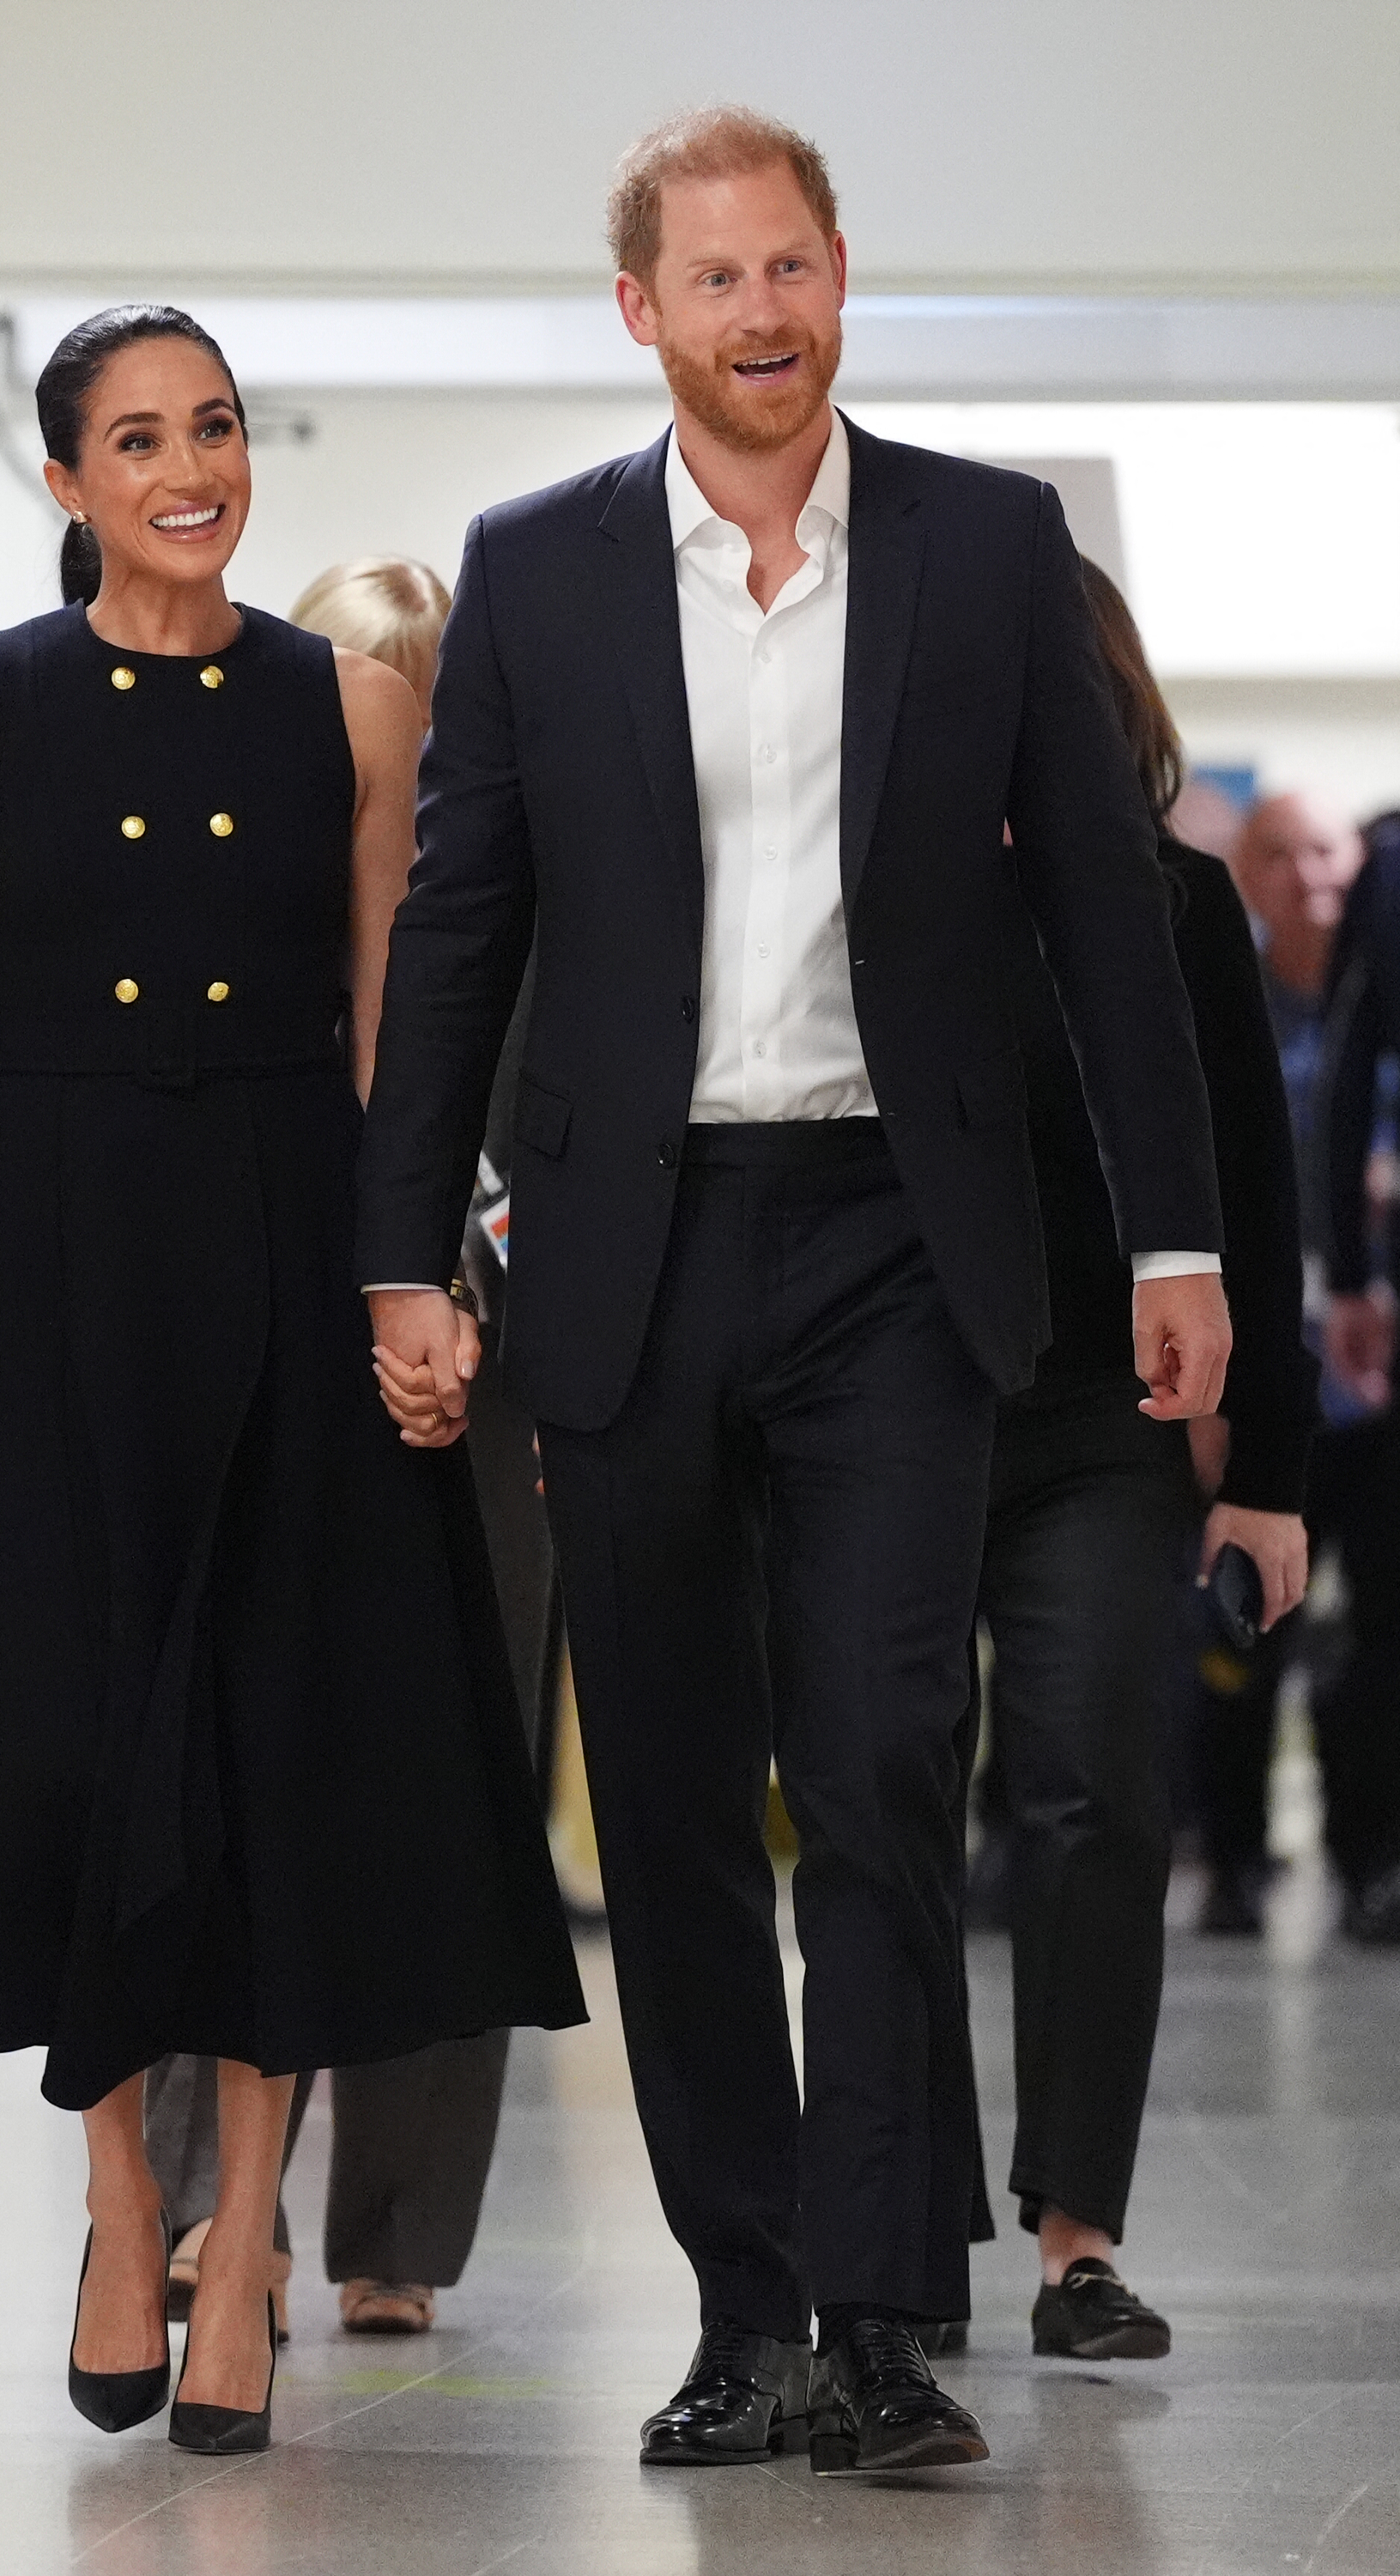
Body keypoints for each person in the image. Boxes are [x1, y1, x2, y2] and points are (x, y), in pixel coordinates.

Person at [355, 108, 1229, 2478]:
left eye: (796, 268)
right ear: (637, 310)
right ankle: (741, 2315)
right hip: (625, 1246)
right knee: (658, 1800)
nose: (764, 314)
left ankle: (877, 2312)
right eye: (714, 279)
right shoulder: (534, 574)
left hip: (889, 1249)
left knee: (867, 1771)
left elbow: (1109, 935)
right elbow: (461, 932)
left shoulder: (985, 545)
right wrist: (395, 1250)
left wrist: (1176, 1236)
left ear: (846, 277)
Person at [0, 306, 583, 2454]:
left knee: (277, 1753)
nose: (190, 464)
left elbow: (386, 1030)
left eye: (217, 425)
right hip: (40, 1263)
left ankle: (243, 2238)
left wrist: (405, 1285)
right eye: (137, 436)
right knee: (62, 1739)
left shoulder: (354, 702)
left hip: (280, 1235)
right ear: (61, 478)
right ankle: (117, 2189)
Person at [147, 556, 545, 2343]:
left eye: (417, 698)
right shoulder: (228, 919)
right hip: (265, 1370)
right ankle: (204, 2204)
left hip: (500, 1388)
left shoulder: (536, 915)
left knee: (455, 1783)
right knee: (222, 1779)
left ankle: (399, 2232)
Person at [969, 563, 1313, 2362]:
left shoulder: (1178, 904)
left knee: (1097, 1796)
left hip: (1106, 1424)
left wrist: (1265, 1473)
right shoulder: (883, 894)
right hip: (883, 1401)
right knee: (864, 1810)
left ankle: (1076, 2235)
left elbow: (1253, 1185)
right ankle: (886, 2227)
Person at [1194, 796, 1400, 1939]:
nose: (1306, 875)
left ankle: (1370, 1859)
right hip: (1261, 1380)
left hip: (1380, 1387)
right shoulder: (1222, 1005)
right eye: (1276, 855)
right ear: (1248, 877)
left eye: (1324, 850)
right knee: (1236, 1632)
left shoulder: (1385, 992)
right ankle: (1230, 1860)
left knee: (1379, 1638)